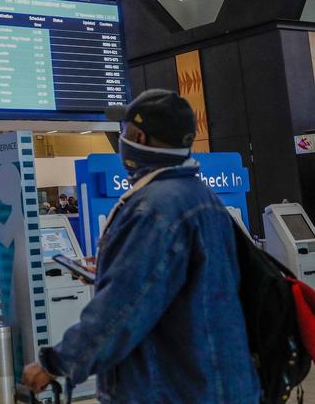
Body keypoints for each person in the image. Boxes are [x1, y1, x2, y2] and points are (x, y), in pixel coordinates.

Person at [21, 89, 259, 403]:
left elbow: (121, 310)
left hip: (172, 387)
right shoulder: (200, 197)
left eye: (125, 130)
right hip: (209, 378)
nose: (122, 138)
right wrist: (109, 267)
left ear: (141, 138)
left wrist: (55, 362)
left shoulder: (154, 208)